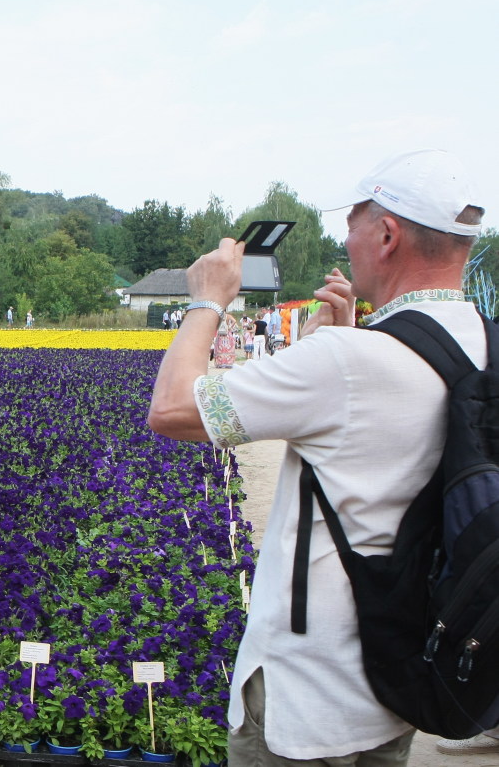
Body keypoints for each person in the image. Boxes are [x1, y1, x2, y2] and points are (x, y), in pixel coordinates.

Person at [147, 148, 487, 765]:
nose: (345, 235)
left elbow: (173, 409)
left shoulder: (345, 362)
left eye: (354, 220)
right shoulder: (483, 340)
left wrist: (206, 299)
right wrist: (349, 340)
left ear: (387, 234)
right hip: (402, 669)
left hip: (309, 689)